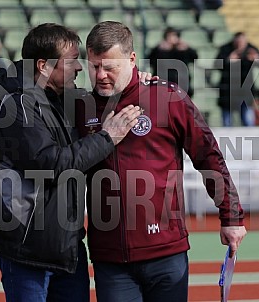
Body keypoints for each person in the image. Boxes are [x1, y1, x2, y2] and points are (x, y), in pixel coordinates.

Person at [75, 21, 247, 302]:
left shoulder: (167, 97)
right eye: (94, 66)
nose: (101, 75)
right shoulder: (81, 107)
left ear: (132, 60)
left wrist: (232, 215)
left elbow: (208, 156)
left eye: (110, 67)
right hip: (111, 258)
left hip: (166, 251)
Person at [0, 23, 142, 302]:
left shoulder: (62, 96)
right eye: (72, 61)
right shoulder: (19, 105)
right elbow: (50, 164)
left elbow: (106, 97)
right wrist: (107, 138)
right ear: (43, 66)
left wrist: (135, 80)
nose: (79, 68)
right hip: (29, 251)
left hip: (66, 248)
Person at [215, 32, 259, 127]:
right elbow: (217, 65)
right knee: (227, 122)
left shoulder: (251, 50)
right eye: (238, 41)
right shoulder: (225, 50)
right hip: (228, 90)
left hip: (245, 91)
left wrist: (256, 59)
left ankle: (249, 141)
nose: (240, 44)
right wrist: (229, 60)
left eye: (242, 41)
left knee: (248, 120)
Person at [147, 27, 198, 98]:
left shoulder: (183, 50)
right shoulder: (159, 50)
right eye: (170, 36)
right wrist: (161, 50)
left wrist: (187, 48)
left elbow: (194, 58)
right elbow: (151, 61)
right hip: (163, 85)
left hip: (181, 85)